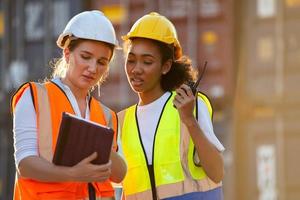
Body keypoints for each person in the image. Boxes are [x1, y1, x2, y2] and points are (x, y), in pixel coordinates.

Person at [11, 10, 127, 200]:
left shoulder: (106, 115)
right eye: (86, 56)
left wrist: (95, 143)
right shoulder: (34, 96)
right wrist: (74, 174)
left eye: (101, 62)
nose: (92, 68)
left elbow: (119, 173)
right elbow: (25, 164)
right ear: (67, 54)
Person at [117, 12, 225, 199]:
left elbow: (217, 172)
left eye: (147, 61)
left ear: (165, 66)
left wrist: (189, 120)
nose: (136, 69)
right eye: (131, 60)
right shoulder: (121, 121)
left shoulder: (190, 104)